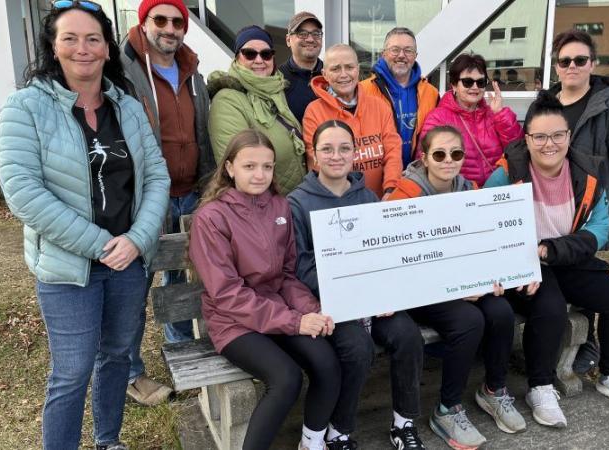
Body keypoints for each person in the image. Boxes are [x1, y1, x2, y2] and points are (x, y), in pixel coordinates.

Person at [0, 2, 170, 449]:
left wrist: (136, 240)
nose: (83, 49)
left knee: (115, 357)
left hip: (127, 264)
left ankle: (107, 441)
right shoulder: (26, 107)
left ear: (108, 47)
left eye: (93, 38)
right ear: (53, 47)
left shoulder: (126, 107)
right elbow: (23, 191)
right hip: (68, 267)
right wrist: (101, 245)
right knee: (72, 371)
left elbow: (156, 177)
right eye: (70, 38)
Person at [485, 90, 609, 428]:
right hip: (525, 264)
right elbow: (487, 229)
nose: (549, 144)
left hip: (566, 257)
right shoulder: (507, 172)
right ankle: (540, 386)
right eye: (540, 136)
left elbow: (598, 230)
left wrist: (553, 249)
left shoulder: (587, 172)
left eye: (557, 135)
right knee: (550, 307)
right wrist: (518, 262)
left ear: (568, 136)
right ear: (527, 139)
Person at [188, 129, 341, 450]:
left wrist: (311, 311)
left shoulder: (279, 208)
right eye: (249, 166)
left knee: (327, 361)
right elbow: (227, 294)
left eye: (267, 167)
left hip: (277, 313)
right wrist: (295, 322)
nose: (260, 175)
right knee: (286, 378)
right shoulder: (212, 217)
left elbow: (286, 276)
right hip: (233, 323)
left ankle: (312, 442)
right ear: (229, 168)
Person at [288, 120, 426, 450]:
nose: (336, 156)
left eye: (344, 148)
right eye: (327, 149)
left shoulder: (368, 198)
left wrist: (385, 292)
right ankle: (340, 430)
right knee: (357, 349)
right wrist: (350, 293)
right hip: (331, 304)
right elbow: (300, 265)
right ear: (314, 154)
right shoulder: (297, 203)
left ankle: (404, 422)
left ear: (355, 153)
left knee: (408, 336)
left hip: (372, 299)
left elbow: (382, 255)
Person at [389, 126, 529, 446]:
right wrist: (453, 286)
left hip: (462, 283)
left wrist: (493, 275)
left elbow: (484, 244)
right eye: (439, 154)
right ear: (424, 158)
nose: (449, 161)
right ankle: (447, 409)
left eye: (456, 154)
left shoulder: (469, 191)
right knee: (469, 321)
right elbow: (403, 263)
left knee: (501, 311)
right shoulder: (405, 195)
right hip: (419, 289)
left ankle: (493, 390)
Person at [120, 0, 216, 406]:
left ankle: (181, 353)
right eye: (160, 19)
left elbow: (204, 133)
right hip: (145, 199)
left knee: (180, 280)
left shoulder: (193, 73)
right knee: (135, 285)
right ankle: (129, 372)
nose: (170, 28)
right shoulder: (125, 72)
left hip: (190, 192)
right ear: (144, 22)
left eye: (178, 21)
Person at [549, 29, 609, 374]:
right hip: (550, 210)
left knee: (584, 263)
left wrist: (599, 193)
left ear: (592, 64)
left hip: (589, 211)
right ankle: (575, 334)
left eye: (580, 60)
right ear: (556, 67)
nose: (572, 66)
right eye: (565, 61)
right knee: (560, 270)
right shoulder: (545, 105)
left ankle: (588, 341)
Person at [208, 25, 306, 195]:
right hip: (263, 208)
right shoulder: (227, 101)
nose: (259, 60)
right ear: (237, 57)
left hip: (292, 202)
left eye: (266, 54)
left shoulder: (275, 91)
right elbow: (238, 170)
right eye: (250, 54)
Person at [303, 44, 403, 199]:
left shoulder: (380, 106)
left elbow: (393, 151)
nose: (344, 74)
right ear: (325, 74)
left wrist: (390, 189)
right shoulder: (314, 112)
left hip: (380, 202)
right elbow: (316, 163)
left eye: (349, 67)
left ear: (358, 69)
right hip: (337, 203)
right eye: (335, 69)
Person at [419, 53, 523, 186]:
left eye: (480, 82)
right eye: (468, 82)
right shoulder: (438, 118)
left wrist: (500, 114)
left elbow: (518, 151)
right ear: (454, 85)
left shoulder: (493, 113)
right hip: (461, 193)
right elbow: (425, 162)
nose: (475, 87)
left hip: (497, 192)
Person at [360, 27, 439, 168]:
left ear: (415, 55)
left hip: (419, 176)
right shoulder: (363, 91)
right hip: (378, 177)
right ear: (383, 54)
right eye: (395, 50)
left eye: (408, 50)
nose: (401, 55)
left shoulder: (431, 93)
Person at [279, 11, 324, 124]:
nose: (310, 39)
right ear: (288, 40)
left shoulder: (333, 75)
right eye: (302, 34)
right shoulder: (277, 79)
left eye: (316, 34)